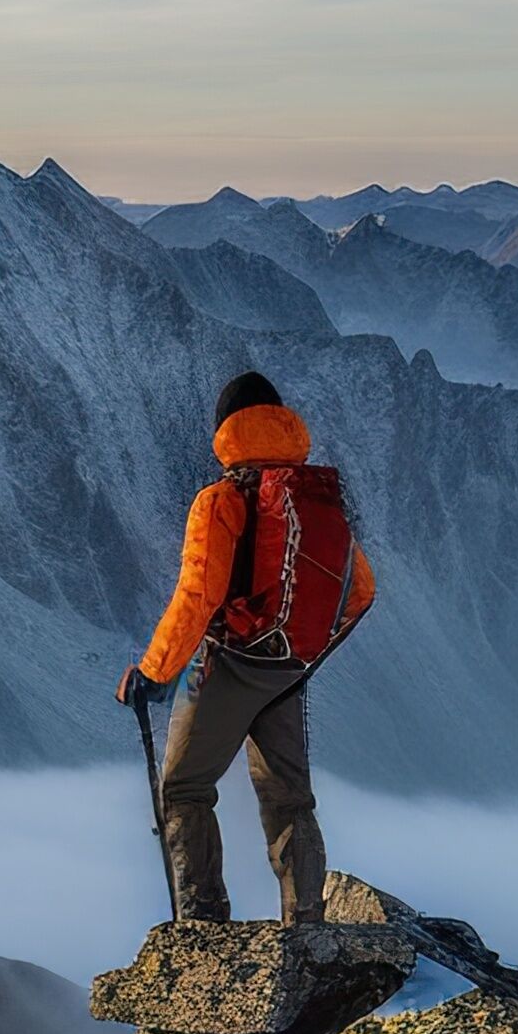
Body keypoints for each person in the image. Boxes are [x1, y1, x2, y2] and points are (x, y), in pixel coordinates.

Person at [114, 370, 381, 923]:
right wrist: (306, 656)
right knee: (289, 797)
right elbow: (361, 591)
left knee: (184, 787)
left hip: (233, 662)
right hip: (290, 668)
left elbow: (199, 593)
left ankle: (204, 922)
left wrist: (155, 671)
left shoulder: (223, 498)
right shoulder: (315, 499)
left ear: (224, 433)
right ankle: (306, 919)